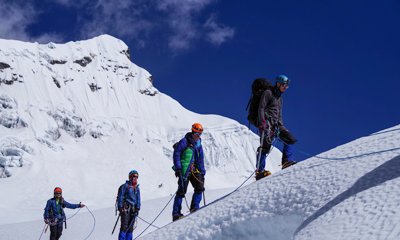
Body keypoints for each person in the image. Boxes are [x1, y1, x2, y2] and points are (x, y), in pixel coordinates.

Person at [256, 75, 297, 180]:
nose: (285, 87)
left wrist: (282, 126)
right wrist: (263, 123)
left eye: (287, 86)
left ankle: (286, 162)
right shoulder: (268, 93)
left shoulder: (280, 99)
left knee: (290, 139)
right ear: (278, 83)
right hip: (266, 123)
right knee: (265, 147)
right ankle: (260, 171)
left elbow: (279, 115)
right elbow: (261, 108)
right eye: (284, 85)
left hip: (277, 125)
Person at [172, 123, 206, 221]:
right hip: (184, 169)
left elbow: (201, 159)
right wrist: (178, 168)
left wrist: (202, 172)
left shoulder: (199, 144)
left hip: (195, 169)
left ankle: (195, 207)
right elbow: (177, 154)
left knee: (200, 187)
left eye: (200, 134)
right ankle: (176, 214)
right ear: (193, 132)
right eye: (197, 134)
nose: (198, 136)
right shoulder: (184, 141)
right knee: (181, 191)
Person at [117, 170, 141, 240]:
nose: (135, 179)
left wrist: (138, 207)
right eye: (134, 177)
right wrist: (120, 207)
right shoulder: (125, 186)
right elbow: (120, 197)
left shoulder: (137, 188)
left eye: (136, 177)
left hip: (133, 210)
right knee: (124, 227)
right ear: (130, 177)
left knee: (130, 228)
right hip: (125, 209)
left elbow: (138, 199)